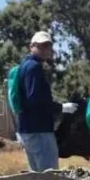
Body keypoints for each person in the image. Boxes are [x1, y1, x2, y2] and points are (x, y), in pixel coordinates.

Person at [16, 31, 77, 172]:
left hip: (27, 129)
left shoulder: (24, 65)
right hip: (39, 130)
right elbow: (35, 100)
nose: (45, 50)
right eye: (41, 46)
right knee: (50, 175)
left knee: (37, 175)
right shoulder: (34, 67)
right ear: (31, 46)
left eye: (48, 46)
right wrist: (62, 108)